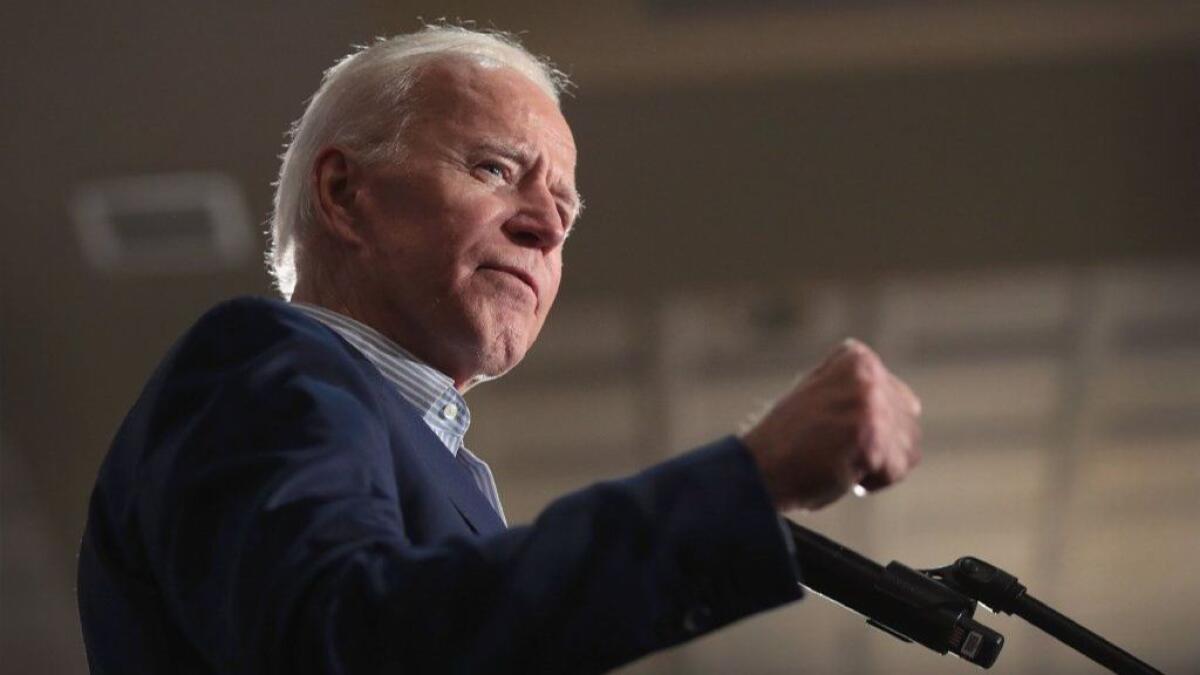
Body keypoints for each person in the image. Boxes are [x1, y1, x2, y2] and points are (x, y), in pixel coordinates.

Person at [77, 25, 922, 675]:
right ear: (343, 193)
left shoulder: (450, 476)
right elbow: (346, 642)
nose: (548, 225)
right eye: (494, 169)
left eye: (564, 205)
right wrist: (751, 477)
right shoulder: (268, 361)